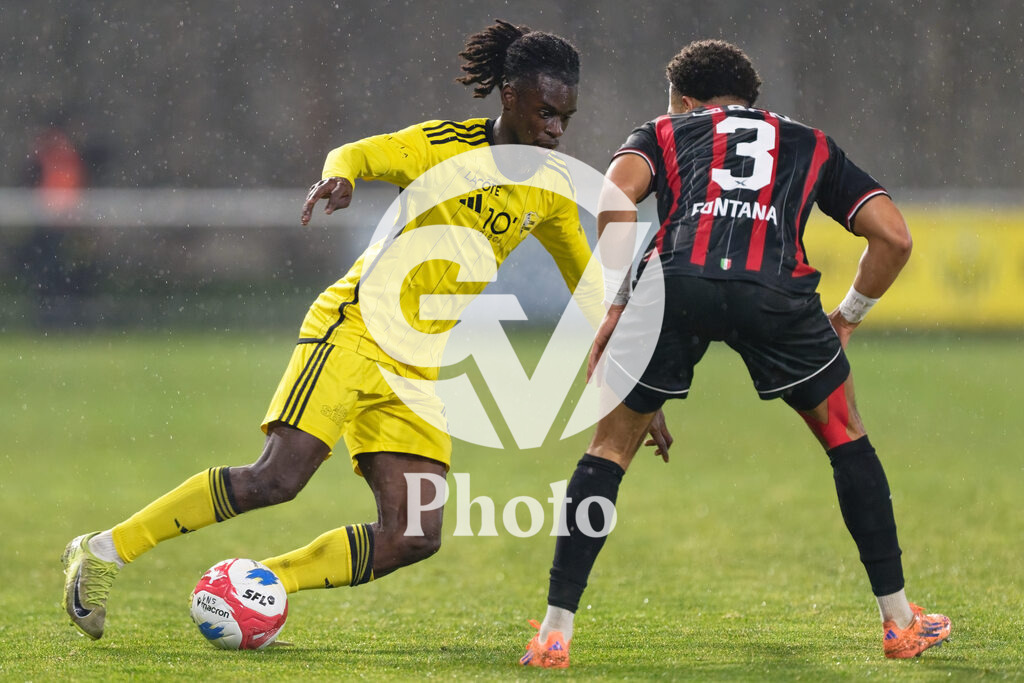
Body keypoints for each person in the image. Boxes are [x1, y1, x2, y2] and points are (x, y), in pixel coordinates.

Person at [61, 20, 660, 641]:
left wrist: (631, 387)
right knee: (276, 479)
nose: (556, 130)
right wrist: (341, 176)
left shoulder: (552, 189)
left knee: (413, 535)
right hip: (354, 330)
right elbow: (360, 153)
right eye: (545, 112)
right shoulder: (442, 146)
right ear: (509, 96)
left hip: (418, 365)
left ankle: (258, 587)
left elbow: (590, 292)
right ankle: (103, 551)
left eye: (566, 116)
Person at [520, 39, 950, 668]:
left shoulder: (666, 129)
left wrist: (617, 305)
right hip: (775, 293)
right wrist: (847, 317)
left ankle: (554, 634)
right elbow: (894, 236)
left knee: (608, 451)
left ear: (688, 101)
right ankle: (900, 624)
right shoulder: (809, 142)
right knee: (846, 439)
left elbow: (613, 200)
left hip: (675, 287)